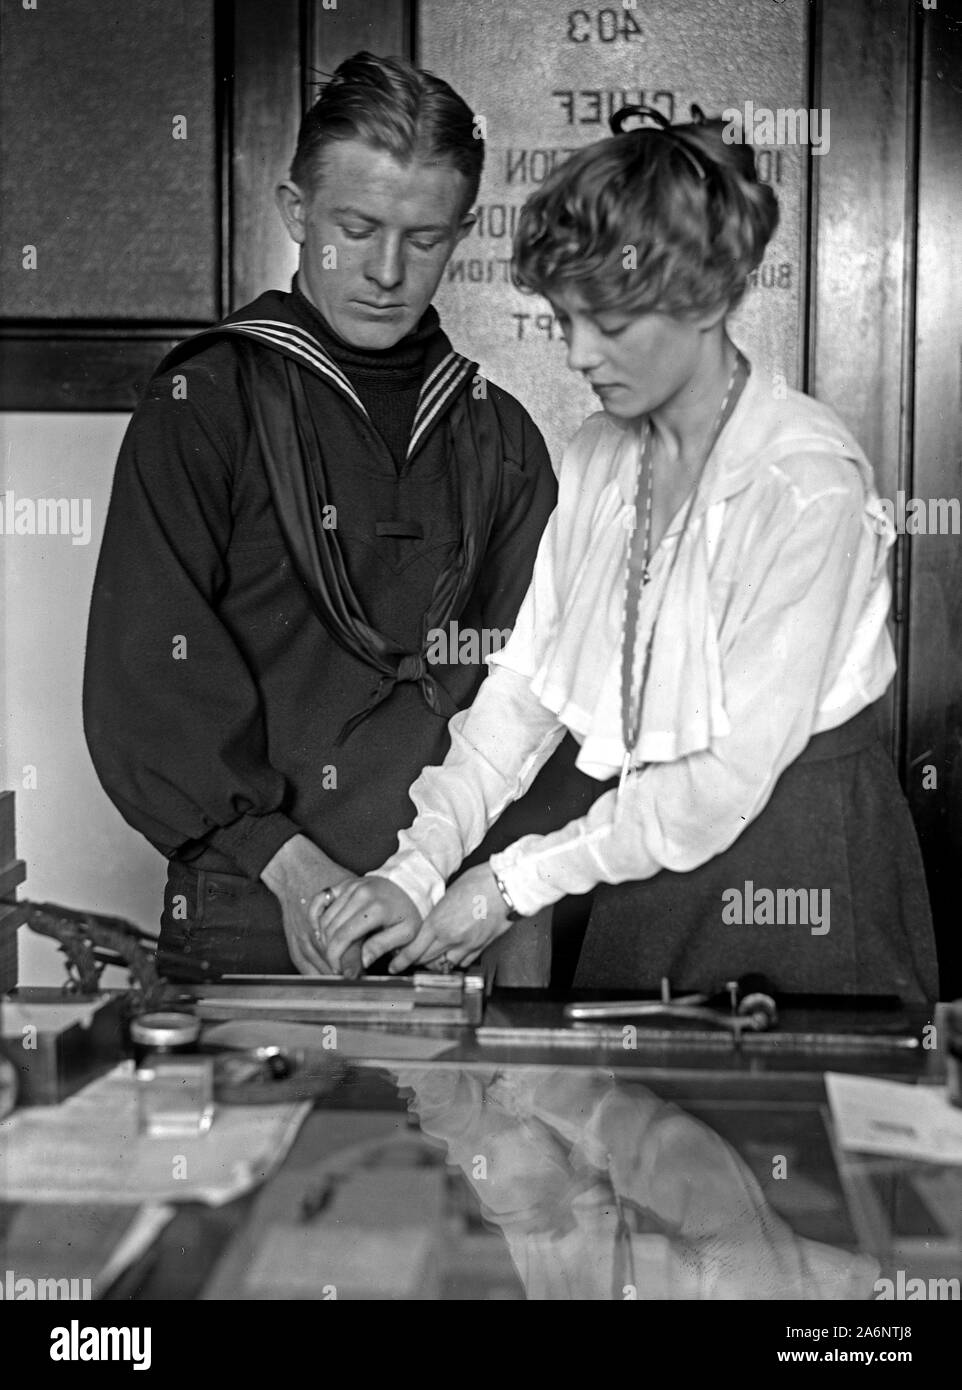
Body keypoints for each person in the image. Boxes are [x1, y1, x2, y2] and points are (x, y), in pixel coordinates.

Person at [317, 105, 940, 1002]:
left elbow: (722, 784)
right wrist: (415, 870)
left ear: (709, 298)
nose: (578, 353)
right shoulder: (600, 455)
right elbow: (525, 693)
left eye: (609, 320)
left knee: (787, 1131)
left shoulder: (806, 482)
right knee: (633, 1125)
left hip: (803, 872)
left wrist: (503, 888)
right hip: (636, 862)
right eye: (567, 319)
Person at [83, 51, 595, 983]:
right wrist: (296, 875)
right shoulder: (206, 403)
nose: (388, 272)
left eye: (425, 238)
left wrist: (473, 897)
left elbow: (553, 693)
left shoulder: (504, 438)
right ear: (294, 211)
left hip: (453, 922)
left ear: (463, 232)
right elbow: (145, 690)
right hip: (253, 904)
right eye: (355, 229)